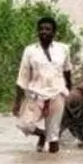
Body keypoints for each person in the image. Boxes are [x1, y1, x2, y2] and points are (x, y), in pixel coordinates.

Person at [12, 17, 73, 153]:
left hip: (57, 93)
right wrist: (17, 102)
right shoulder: (30, 50)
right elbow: (23, 76)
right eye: (41, 29)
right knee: (24, 125)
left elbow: (67, 70)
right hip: (35, 94)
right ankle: (42, 134)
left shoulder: (63, 49)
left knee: (54, 137)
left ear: (54, 32)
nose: (44, 32)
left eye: (47, 29)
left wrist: (68, 88)